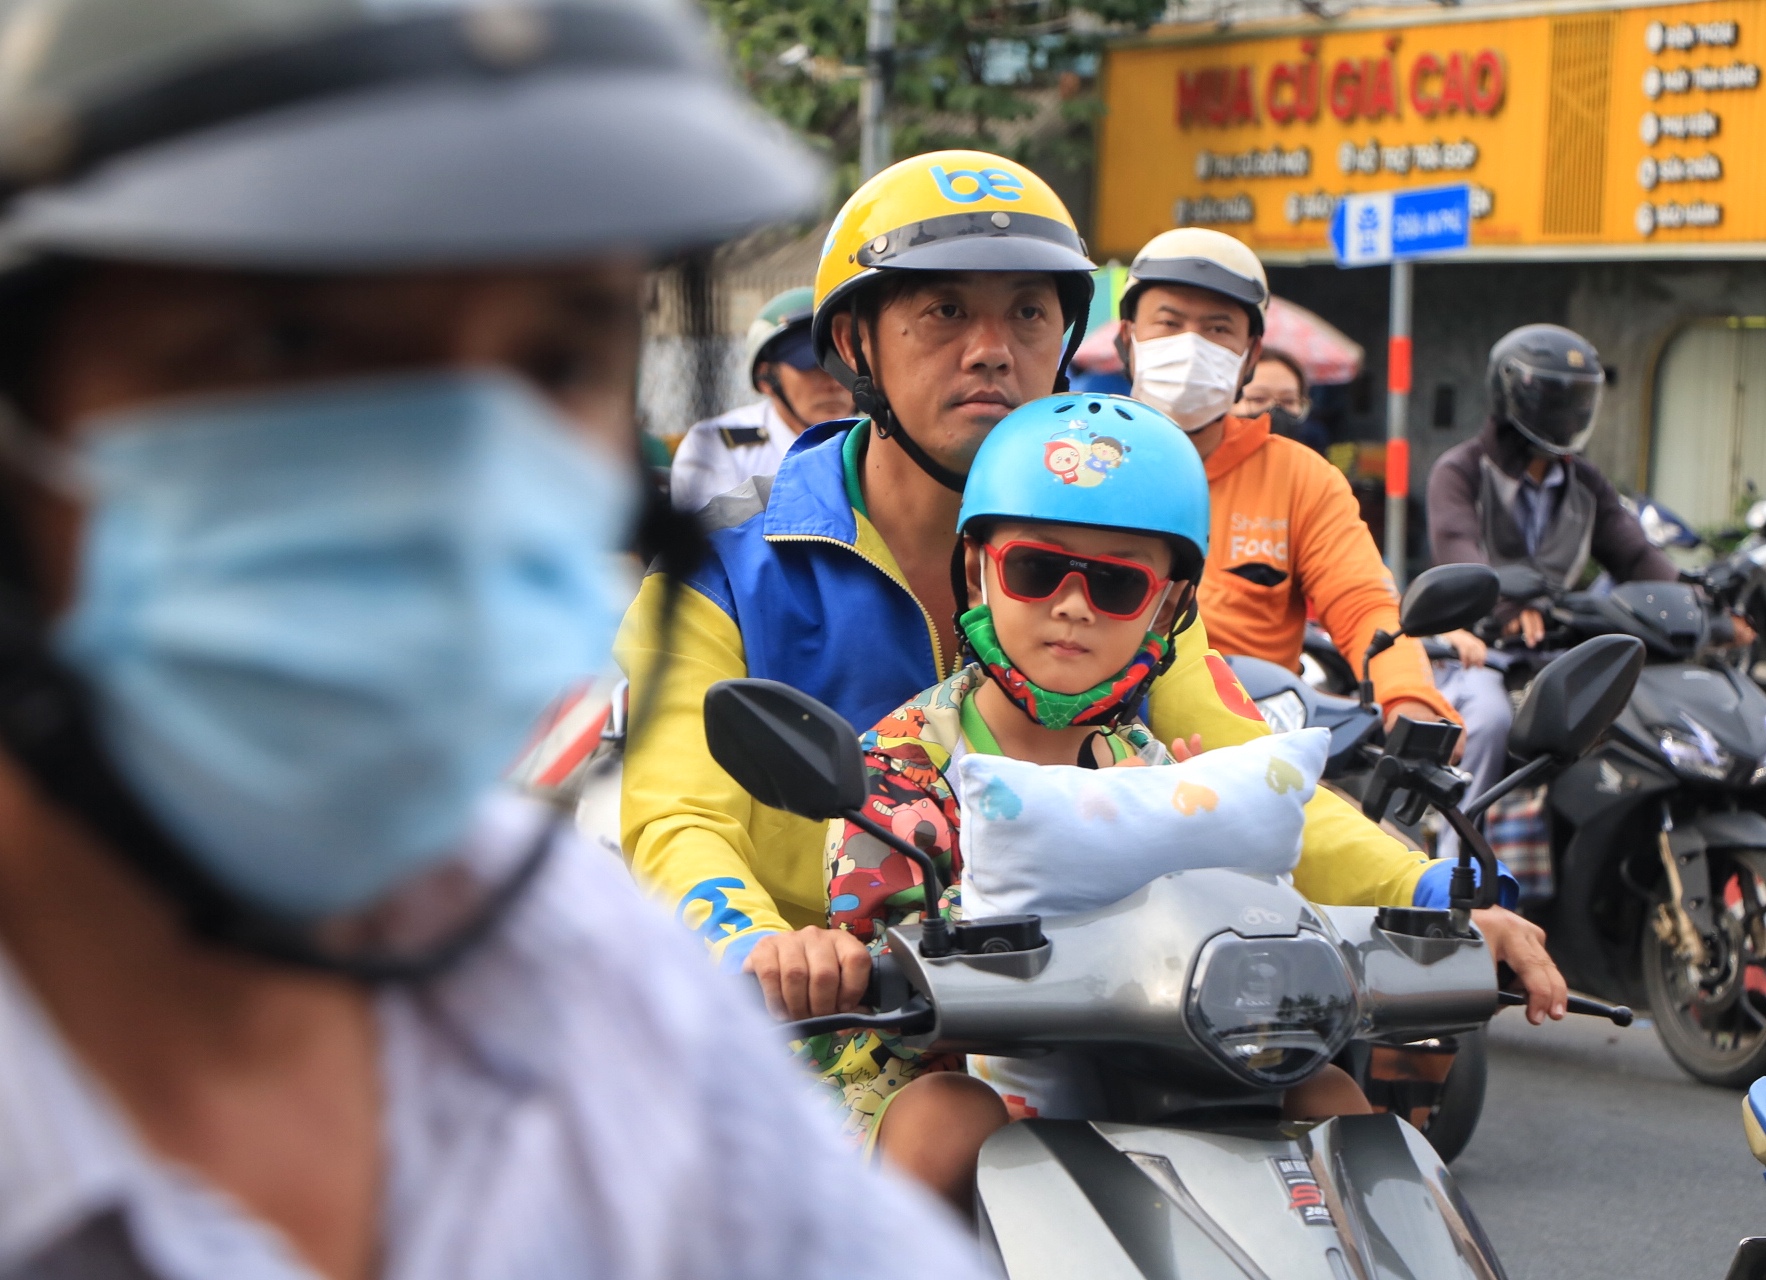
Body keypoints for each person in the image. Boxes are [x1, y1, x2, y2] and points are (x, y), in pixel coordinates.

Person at [0, 3, 997, 1277]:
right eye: (290, 341)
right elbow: (683, 811)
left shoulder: (572, 974)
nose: (460, 476)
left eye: (551, 356)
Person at [616, 155, 1566, 1034]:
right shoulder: (727, 566)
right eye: (944, 311)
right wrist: (762, 945)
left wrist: (1437, 895)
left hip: (1085, 1021)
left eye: (1029, 314)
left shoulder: (1114, 571)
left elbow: (1250, 773)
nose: (992, 350)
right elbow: (675, 816)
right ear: (857, 344)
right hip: (826, 1025)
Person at [802, 394, 1373, 1210]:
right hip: (938, 1073)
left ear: (1168, 607)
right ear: (978, 570)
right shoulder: (896, 765)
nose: (1072, 605)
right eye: (1036, 569)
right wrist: (830, 962)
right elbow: (885, 946)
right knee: (948, 1118)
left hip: (1144, 1069)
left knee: (1327, 1103)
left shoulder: (1160, 779)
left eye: (1115, 582)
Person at [1119, 228, 1461, 747]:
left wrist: (1408, 696)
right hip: (1093, 745)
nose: (1191, 347)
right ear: (1129, 339)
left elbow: (1363, 602)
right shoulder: (1074, 459)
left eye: (1217, 329)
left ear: (1250, 356)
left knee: (1376, 833)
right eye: (1168, 323)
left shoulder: (1302, 478)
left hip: (1253, 753)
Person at [1427, 324, 1678, 809]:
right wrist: (1506, 602)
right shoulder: (1460, 470)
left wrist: (1696, 603)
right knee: (1491, 720)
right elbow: (1458, 547)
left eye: (1580, 398)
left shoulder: (1585, 481)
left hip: (1560, 653)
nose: (1570, 412)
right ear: (1510, 393)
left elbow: (1635, 555)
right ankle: (1458, 860)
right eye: (1555, 396)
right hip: (1476, 650)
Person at [669, 286, 854, 511]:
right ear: (766, 379)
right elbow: (715, 541)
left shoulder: (881, 439)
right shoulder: (715, 446)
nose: (835, 382)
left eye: (845, 365)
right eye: (812, 367)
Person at [1236, 348, 1328, 454]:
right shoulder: (1214, 465)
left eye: (1288, 401)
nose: (1275, 409)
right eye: (1259, 399)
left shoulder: (1313, 466)